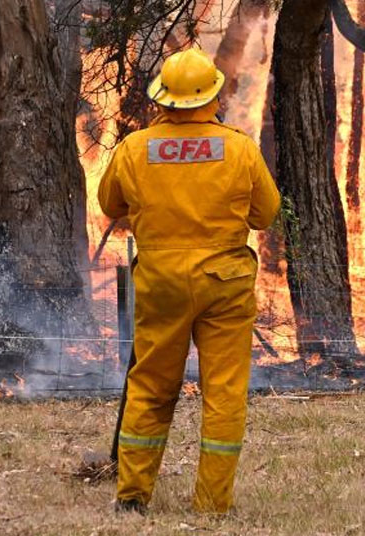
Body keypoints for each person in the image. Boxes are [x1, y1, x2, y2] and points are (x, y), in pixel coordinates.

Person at [98, 45, 281, 516]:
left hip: (161, 284)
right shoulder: (239, 147)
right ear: (212, 98)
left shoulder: (135, 148)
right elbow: (265, 214)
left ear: (164, 100)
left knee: (151, 386)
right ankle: (211, 505)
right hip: (225, 282)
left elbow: (110, 205)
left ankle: (133, 497)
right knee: (223, 392)